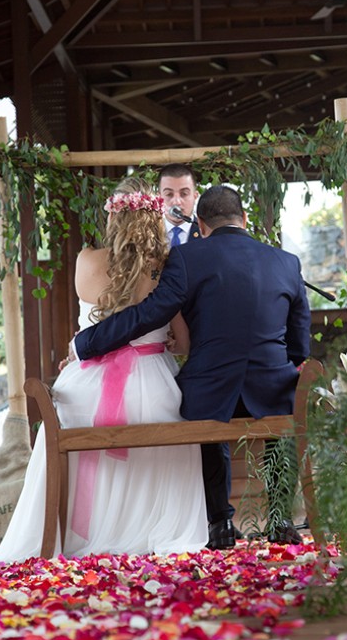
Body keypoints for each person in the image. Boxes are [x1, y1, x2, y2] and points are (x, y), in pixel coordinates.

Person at [72, 184, 312, 549]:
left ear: (200, 224)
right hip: (272, 390)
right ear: (244, 218)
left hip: (210, 391)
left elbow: (150, 313)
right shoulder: (287, 262)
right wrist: (281, 367)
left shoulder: (187, 257)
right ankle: (280, 519)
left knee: (202, 418)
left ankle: (219, 523)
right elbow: (299, 343)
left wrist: (87, 342)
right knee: (283, 412)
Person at [0, 179, 208, 561]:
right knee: (170, 420)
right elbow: (185, 342)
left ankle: (74, 537)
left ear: (112, 216)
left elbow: (91, 320)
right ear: (152, 216)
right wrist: (167, 342)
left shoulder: (87, 260)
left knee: (70, 427)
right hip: (153, 382)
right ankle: (145, 532)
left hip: (85, 384)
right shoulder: (163, 268)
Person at [158, 163, 200, 248]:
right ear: (159, 198)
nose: (176, 202)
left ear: (195, 196)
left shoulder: (206, 234)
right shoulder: (147, 233)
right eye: (169, 194)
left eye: (184, 194)